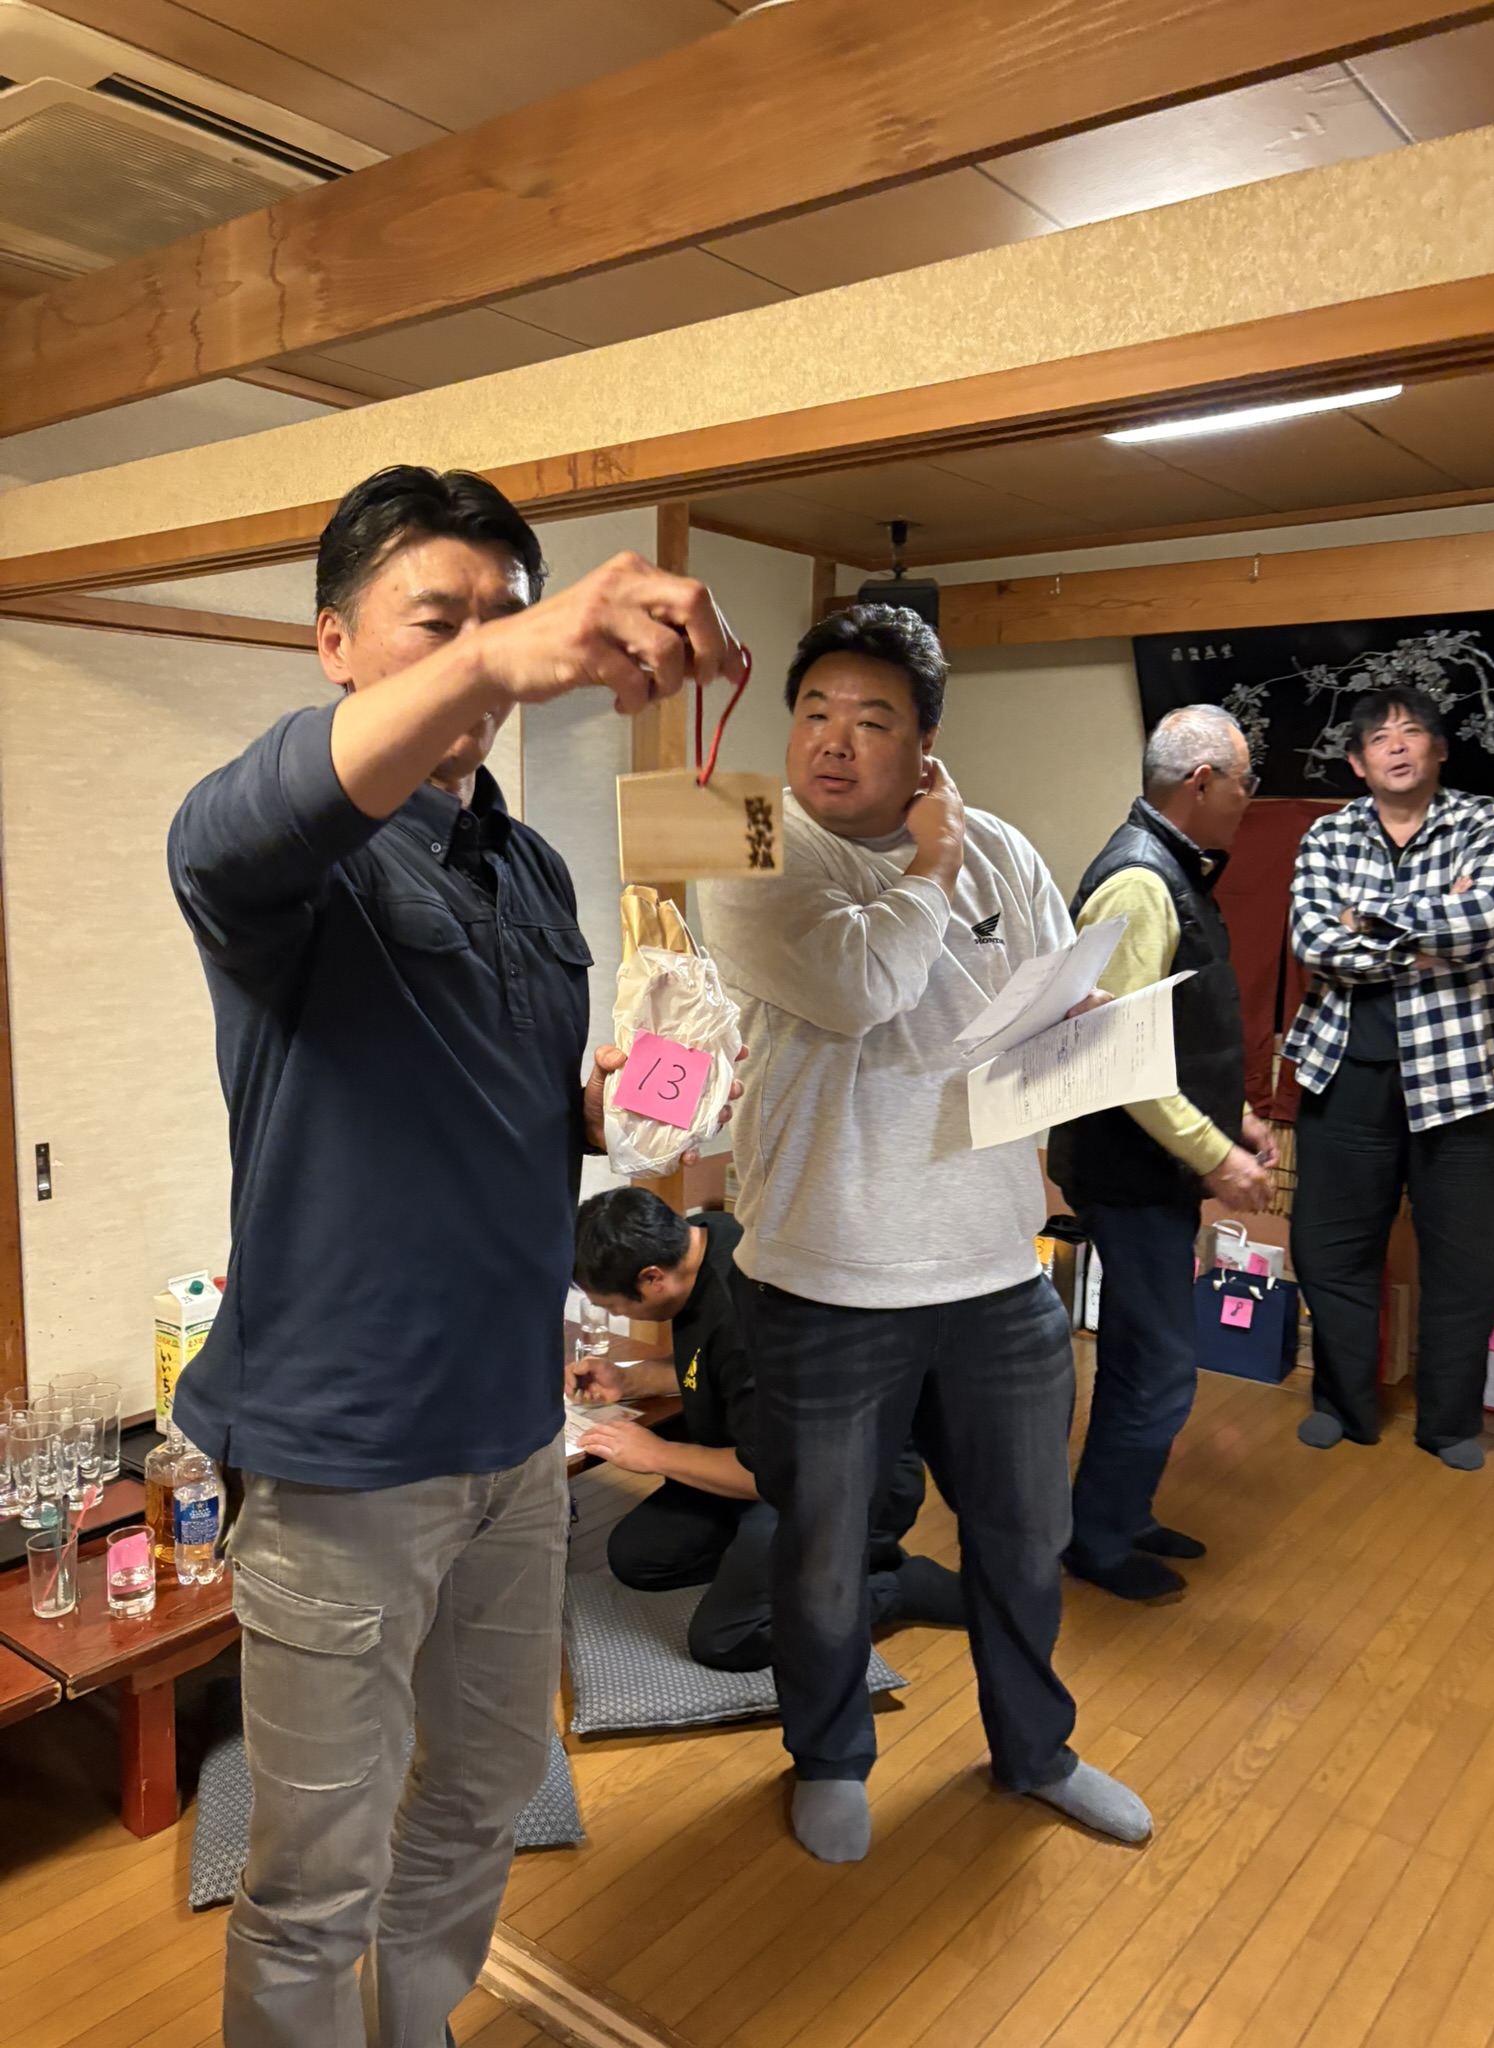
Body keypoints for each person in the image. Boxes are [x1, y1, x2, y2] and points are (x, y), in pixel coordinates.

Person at [167, 464, 744, 2048]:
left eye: (505, 616)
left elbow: (538, 1105)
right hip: (342, 1452)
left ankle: (412, 2024)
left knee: (489, 1784)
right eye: (441, 621)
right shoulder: (291, 861)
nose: (484, 655)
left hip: (517, 1432)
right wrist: (503, 652)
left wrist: (634, 1098)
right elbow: (224, 830)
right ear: (334, 642)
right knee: (314, 1872)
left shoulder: (534, 871)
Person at [699, 602, 1152, 1865]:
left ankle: (1036, 1749)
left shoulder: (998, 844)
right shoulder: (745, 840)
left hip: (997, 1266)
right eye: (814, 712)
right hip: (824, 1273)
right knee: (824, 1553)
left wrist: (1088, 1026)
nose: (833, 741)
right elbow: (859, 987)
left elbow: (1049, 994)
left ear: (926, 743)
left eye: (872, 719)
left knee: (1026, 1537)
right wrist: (932, 864)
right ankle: (830, 1753)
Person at [1047, 706, 1275, 1602]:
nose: (1249, 801)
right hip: (1129, 1170)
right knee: (1162, 1364)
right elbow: (1116, 1055)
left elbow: (1173, 1031)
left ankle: (1118, 1512)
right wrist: (1216, 1154)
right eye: (1245, 784)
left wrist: (1236, 1118)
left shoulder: (1171, 868)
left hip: (1149, 1167)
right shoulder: (1143, 880)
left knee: (1140, 1353)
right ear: (1203, 783)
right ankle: (1098, 1542)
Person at [569, 1186, 964, 1670]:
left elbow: (767, 1476)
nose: (616, 1316)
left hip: (839, 1483)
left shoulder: (747, 1317)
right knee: (640, 1558)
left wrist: (656, 1455)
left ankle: (897, 1586)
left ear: (653, 1278)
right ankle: (820, 1567)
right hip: (768, 1455)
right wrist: (628, 1379)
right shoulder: (708, 1237)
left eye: (615, 1306)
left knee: (726, 1639)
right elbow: (709, 1367)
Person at [1285, 684, 1494, 1471]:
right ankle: (1342, 1404)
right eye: (1380, 736)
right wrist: (1424, 937)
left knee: (1470, 1261)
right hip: (1346, 1073)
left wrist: (1367, 918)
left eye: (1412, 731)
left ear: (1439, 749)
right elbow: (1311, 940)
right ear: (1358, 762)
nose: (1397, 744)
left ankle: (1449, 1422)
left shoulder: (1483, 821)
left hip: (1465, 1075)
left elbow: (1488, 919)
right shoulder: (1327, 834)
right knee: (1330, 1249)